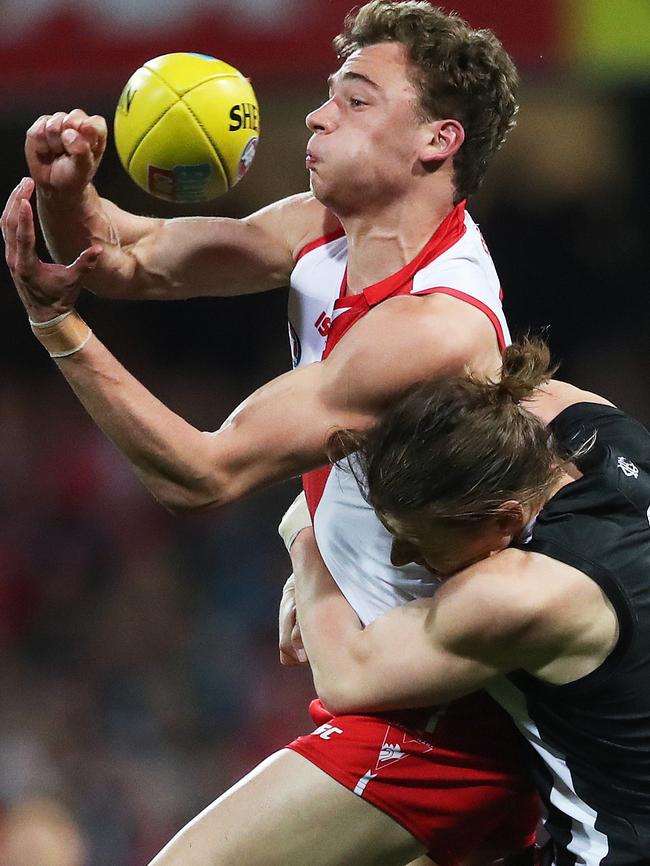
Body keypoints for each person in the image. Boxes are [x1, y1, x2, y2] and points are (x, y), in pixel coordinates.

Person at [2, 3, 537, 864]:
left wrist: (55, 326)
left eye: (357, 101)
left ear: (437, 141)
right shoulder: (330, 232)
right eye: (329, 96)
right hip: (395, 680)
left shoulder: (436, 324)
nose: (320, 115)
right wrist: (73, 197)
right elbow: (133, 257)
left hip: (452, 722)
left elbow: (201, 475)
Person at [290, 338, 650, 865]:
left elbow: (347, 675)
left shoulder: (526, 593)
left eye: (419, 540)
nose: (398, 556)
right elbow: (498, 390)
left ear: (504, 520)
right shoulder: (595, 428)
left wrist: (306, 537)